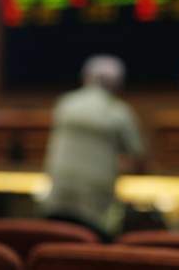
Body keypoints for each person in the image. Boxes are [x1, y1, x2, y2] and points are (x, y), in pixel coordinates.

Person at [41, 54, 145, 241]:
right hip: (95, 209)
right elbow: (138, 156)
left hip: (55, 200)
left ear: (86, 77)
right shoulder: (119, 112)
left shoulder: (65, 104)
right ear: (117, 84)